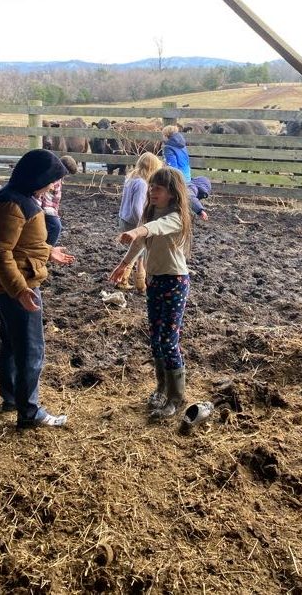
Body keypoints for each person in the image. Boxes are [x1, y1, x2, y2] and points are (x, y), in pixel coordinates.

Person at [0, 148, 75, 429]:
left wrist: (48, 251)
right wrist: (21, 290)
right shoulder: (13, 204)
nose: (53, 186)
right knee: (31, 349)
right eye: (52, 180)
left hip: (13, 283)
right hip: (17, 285)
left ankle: (12, 398)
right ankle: (30, 412)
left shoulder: (21, 198)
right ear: (38, 177)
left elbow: (20, 244)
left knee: (11, 343)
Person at [109, 166, 192, 419]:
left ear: (172, 192)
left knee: (168, 341)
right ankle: (162, 388)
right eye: (151, 187)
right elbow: (140, 243)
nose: (152, 191)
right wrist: (125, 264)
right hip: (156, 282)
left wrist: (137, 229)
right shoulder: (151, 212)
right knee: (156, 339)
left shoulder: (177, 216)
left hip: (175, 282)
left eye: (158, 188)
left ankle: (176, 397)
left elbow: (154, 228)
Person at [116, 151, 162, 293]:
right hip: (134, 223)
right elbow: (137, 207)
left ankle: (140, 284)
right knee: (136, 252)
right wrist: (142, 225)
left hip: (124, 219)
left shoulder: (130, 178)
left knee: (140, 253)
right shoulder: (142, 183)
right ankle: (122, 280)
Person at [36, 155, 78, 246]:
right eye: (67, 173)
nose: (65, 176)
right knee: (56, 226)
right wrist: (39, 208)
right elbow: (41, 195)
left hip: (50, 209)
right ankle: (48, 250)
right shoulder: (51, 178)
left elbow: (55, 199)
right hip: (44, 209)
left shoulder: (58, 178)